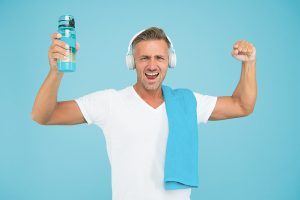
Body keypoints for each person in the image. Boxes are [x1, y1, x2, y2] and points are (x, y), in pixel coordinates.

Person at [31, 27, 257, 200]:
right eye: (144, 58)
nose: (152, 65)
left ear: (170, 61)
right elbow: (44, 115)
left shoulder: (188, 103)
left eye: (159, 58)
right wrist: (55, 72)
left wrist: (249, 63)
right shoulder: (110, 102)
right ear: (132, 63)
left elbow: (241, 105)